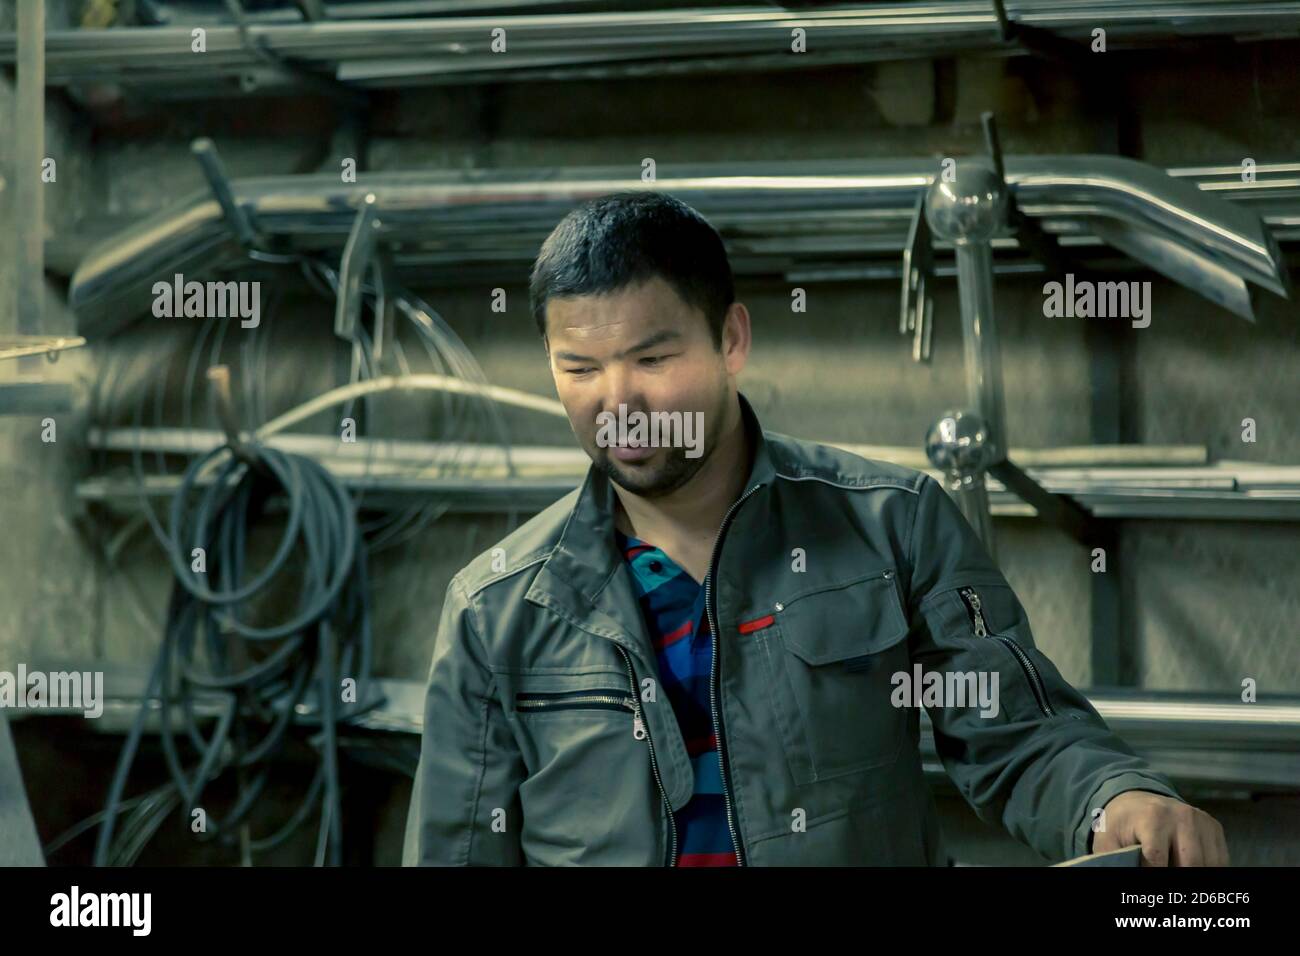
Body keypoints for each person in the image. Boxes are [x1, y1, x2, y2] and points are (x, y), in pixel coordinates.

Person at [402, 191, 1228, 867]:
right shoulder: (498, 608)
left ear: (730, 338)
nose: (616, 404)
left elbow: (1018, 732)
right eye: (578, 368)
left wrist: (1114, 798)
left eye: (652, 360)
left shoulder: (890, 525)